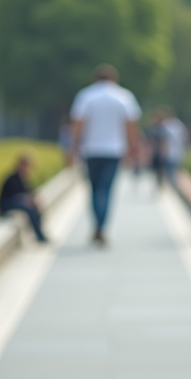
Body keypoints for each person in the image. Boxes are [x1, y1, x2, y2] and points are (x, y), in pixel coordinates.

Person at [68, 64, 140, 245]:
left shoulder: (85, 96)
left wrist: (72, 148)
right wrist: (133, 149)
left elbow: (77, 125)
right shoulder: (124, 96)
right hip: (114, 150)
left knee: (94, 189)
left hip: (91, 149)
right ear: (114, 79)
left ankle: (97, 225)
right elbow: (131, 126)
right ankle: (102, 226)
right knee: (106, 189)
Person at [0, 154, 47, 243]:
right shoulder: (12, 178)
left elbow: (30, 192)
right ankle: (39, 235)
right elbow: (15, 195)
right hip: (7, 204)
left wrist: (35, 200)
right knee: (28, 209)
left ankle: (40, 233)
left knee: (35, 207)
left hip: (16, 203)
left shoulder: (23, 177)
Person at [155, 107, 188, 189]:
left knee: (170, 170)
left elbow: (163, 140)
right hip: (175, 151)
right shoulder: (178, 124)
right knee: (173, 169)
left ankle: (172, 185)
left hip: (171, 152)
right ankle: (173, 185)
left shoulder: (166, 125)